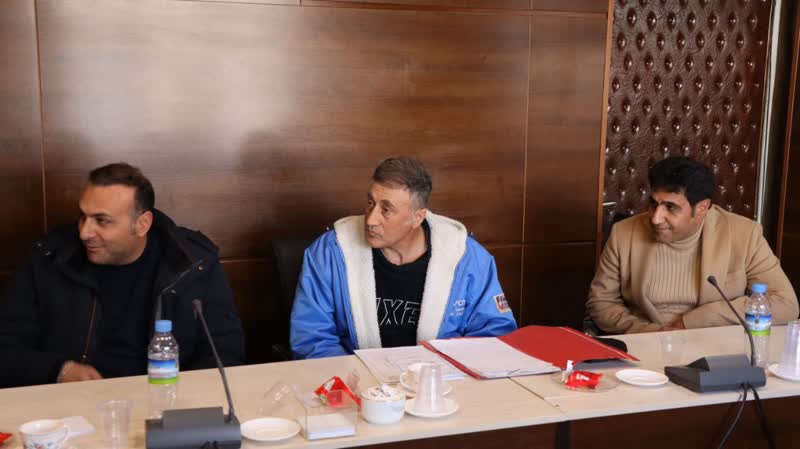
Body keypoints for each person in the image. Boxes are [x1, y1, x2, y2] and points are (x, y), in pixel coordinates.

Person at [0, 163, 245, 388]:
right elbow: (6, 348)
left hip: (167, 396)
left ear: (142, 224)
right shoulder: (48, 259)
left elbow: (225, 351)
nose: (85, 232)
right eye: (83, 216)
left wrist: (179, 397)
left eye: (102, 221)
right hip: (73, 403)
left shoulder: (193, 263)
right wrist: (59, 370)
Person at [290, 157, 517, 359]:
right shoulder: (330, 251)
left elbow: (495, 336)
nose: (370, 220)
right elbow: (311, 338)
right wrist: (358, 380)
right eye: (370, 203)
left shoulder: (466, 257)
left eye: (386, 209)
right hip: (357, 384)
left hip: (441, 383)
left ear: (417, 217)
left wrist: (437, 377)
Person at [587, 156, 798, 334]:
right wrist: (652, 333)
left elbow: (786, 304)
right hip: (643, 346)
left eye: (670, 207)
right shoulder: (623, 233)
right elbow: (601, 303)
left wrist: (693, 321)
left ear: (702, 208)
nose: (656, 218)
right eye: (653, 204)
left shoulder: (744, 234)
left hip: (715, 346)